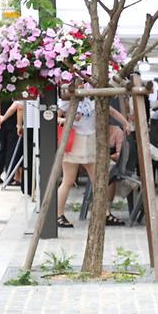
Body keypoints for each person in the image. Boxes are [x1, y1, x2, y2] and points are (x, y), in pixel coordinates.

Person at [55, 98, 97, 228]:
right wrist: (68, 120)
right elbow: (54, 117)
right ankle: (58, 214)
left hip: (90, 138)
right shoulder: (67, 99)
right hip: (73, 139)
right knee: (68, 179)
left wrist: (124, 122)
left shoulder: (93, 98)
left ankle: (102, 212)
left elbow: (110, 111)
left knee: (97, 179)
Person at [0, 99, 21, 184]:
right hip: (12, 120)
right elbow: (15, 105)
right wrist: (3, 117)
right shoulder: (18, 87)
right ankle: (10, 177)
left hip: (2, 119)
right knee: (11, 149)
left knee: (2, 147)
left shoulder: (0, 85)